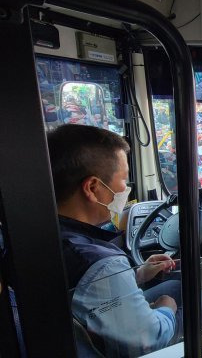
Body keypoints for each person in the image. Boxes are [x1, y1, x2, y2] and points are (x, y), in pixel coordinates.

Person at [47, 125, 178, 356]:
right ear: (93, 187)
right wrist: (167, 307)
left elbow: (84, 290)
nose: (125, 189)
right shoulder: (100, 264)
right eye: (124, 179)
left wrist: (137, 273)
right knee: (199, 297)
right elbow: (149, 340)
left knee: (175, 285)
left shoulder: (41, 233)